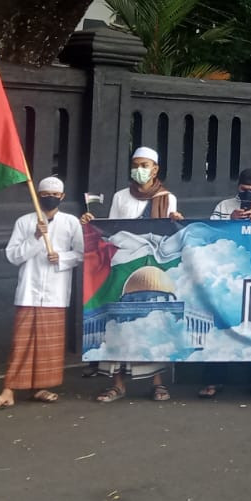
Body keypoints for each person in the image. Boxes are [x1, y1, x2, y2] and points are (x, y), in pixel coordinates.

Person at [0, 177, 84, 412]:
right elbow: (13, 256)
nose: (49, 198)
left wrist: (62, 258)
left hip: (55, 291)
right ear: (37, 195)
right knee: (22, 342)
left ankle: (38, 387)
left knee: (48, 344)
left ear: (62, 197)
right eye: (44, 194)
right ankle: (9, 390)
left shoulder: (71, 223)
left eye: (54, 194)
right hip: (29, 291)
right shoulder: (25, 222)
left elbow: (81, 253)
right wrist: (35, 238)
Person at [86, 147, 183, 403]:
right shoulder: (121, 197)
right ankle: (117, 384)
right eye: (135, 164)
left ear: (155, 169)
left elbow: (167, 233)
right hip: (122, 265)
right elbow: (112, 231)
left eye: (144, 164)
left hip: (151, 264)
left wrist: (176, 221)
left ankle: (157, 383)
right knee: (117, 324)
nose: (139, 169)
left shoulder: (166, 197)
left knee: (153, 324)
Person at [201, 168, 251, 399]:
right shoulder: (224, 207)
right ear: (238, 187)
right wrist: (231, 221)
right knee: (222, 323)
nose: (248, 195)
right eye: (245, 190)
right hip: (228, 271)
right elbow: (210, 233)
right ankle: (213, 380)